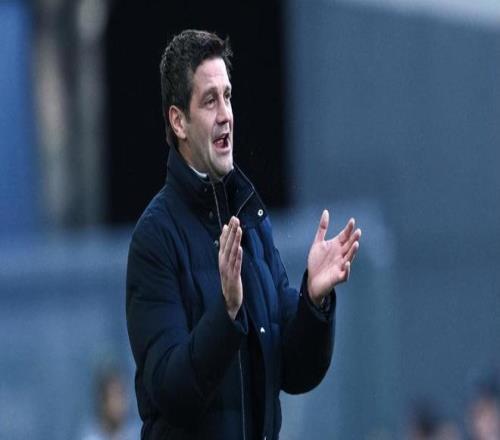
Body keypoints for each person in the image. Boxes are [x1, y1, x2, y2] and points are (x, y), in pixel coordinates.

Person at [126, 29, 362, 440]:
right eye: (209, 101)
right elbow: (170, 391)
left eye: (228, 96)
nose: (226, 114)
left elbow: (293, 370)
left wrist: (313, 301)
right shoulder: (155, 238)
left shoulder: (251, 219)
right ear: (178, 121)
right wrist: (227, 312)